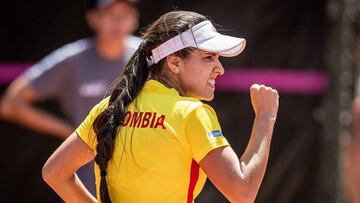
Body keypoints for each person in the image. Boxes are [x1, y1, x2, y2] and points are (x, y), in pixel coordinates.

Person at [42, 10, 279, 203]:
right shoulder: (192, 113)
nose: (220, 68)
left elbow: (54, 172)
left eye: (218, 58)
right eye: (209, 58)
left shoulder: (109, 107)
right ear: (175, 62)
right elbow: (242, 193)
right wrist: (265, 118)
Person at [0, 0, 140, 196]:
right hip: (86, 184)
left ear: (135, 19)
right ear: (93, 19)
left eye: (125, 14)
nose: (118, 21)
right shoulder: (72, 59)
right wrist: (67, 131)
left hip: (139, 178)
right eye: (111, 14)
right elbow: (11, 103)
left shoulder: (147, 57)